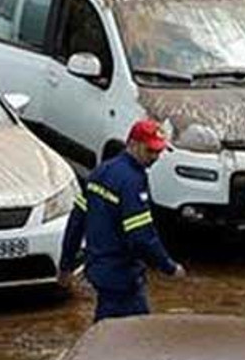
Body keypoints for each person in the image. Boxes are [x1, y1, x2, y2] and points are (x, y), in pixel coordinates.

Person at [58, 119, 186, 321]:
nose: (155, 157)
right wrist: (168, 267)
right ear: (133, 145)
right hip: (121, 275)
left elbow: (77, 221)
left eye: (158, 152)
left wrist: (65, 265)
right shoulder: (132, 181)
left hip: (99, 269)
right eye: (150, 151)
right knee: (136, 335)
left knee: (108, 329)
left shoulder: (101, 171)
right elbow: (142, 236)